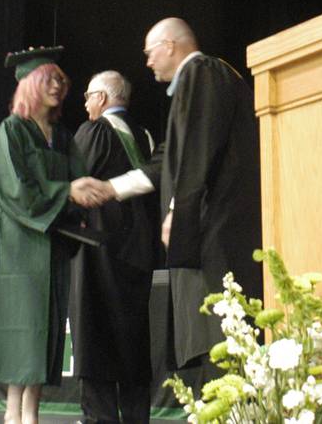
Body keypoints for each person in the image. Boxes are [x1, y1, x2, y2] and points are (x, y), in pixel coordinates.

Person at [82, 19, 263, 390]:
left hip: (223, 229)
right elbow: (166, 161)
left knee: (227, 332)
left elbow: (197, 152)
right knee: (218, 333)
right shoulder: (193, 89)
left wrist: (178, 210)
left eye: (149, 52)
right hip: (219, 230)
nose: (147, 62)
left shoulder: (202, 72)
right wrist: (108, 188)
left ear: (170, 45)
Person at [0, 46, 100, 424]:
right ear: (30, 84)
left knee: (43, 329)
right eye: (49, 78)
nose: (58, 84)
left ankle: (25, 413)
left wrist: (82, 198)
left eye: (60, 79)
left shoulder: (63, 137)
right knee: (23, 326)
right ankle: (16, 414)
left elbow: (77, 182)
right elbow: (16, 189)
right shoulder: (12, 131)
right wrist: (66, 191)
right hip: (19, 245)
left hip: (51, 242)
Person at [69, 70, 160, 424]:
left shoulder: (93, 131)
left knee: (95, 333)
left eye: (90, 95)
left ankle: (100, 418)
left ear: (103, 99)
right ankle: (137, 417)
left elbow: (74, 184)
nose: (86, 102)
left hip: (98, 250)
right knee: (133, 337)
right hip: (139, 252)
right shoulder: (147, 137)